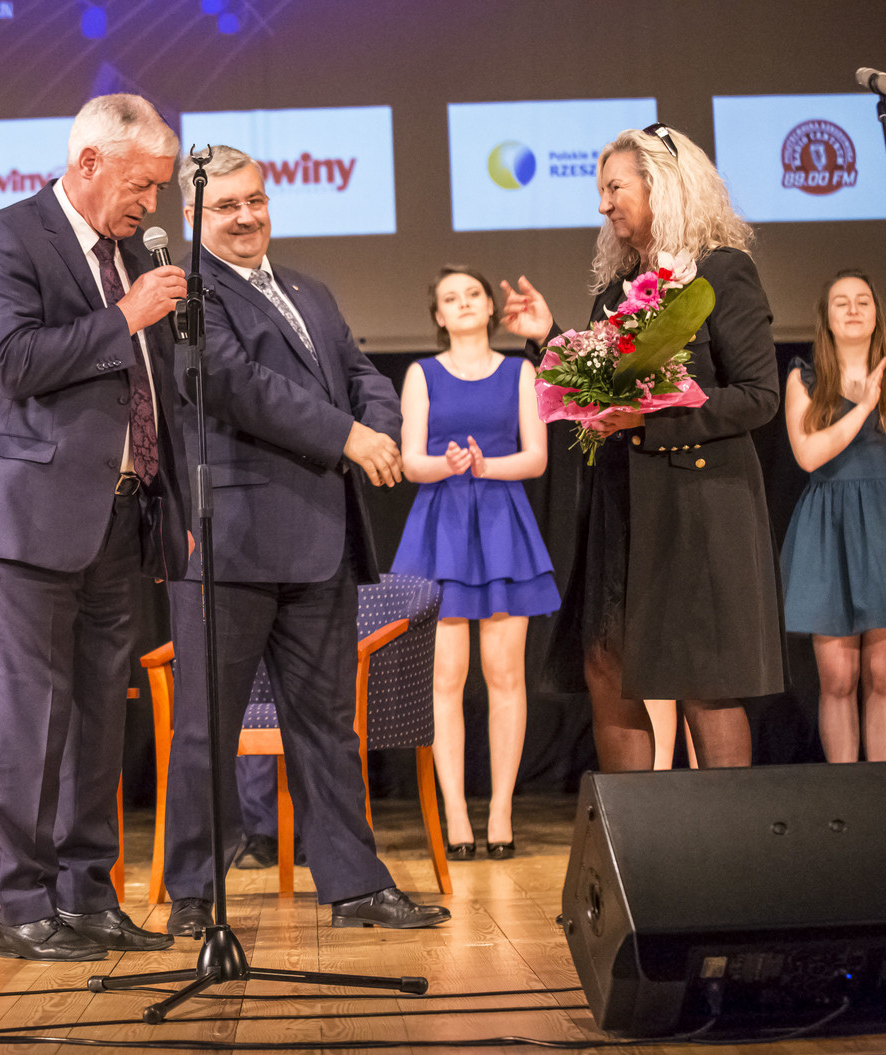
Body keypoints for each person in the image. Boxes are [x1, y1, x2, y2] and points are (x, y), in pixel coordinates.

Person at [160, 145, 449, 936]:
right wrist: (349, 437)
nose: (246, 217)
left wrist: (379, 429)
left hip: (320, 540)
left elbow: (362, 375)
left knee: (326, 725)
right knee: (206, 728)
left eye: (255, 200)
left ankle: (355, 887)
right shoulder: (188, 293)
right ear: (193, 214)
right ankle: (195, 893)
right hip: (230, 544)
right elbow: (233, 384)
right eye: (227, 206)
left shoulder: (306, 290)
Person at [0, 93, 189, 961]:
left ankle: (89, 897)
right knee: (30, 719)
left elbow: (154, 397)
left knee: (98, 720)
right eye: (141, 185)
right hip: (25, 520)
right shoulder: (4, 238)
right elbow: (14, 363)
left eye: (160, 189)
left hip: (118, 518)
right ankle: (23, 905)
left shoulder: (130, 259)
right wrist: (126, 317)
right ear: (89, 162)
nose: (151, 205)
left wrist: (171, 502)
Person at [500, 124, 783, 771]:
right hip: (621, 502)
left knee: (702, 681)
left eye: (614, 188)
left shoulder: (722, 272)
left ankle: (724, 834)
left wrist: (649, 423)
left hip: (698, 502)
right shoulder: (617, 290)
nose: (603, 204)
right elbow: (599, 389)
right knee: (606, 668)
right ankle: (631, 832)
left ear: (663, 185)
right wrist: (548, 339)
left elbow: (758, 396)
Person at [391, 266, 558, 859]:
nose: (463, 303)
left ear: (491, 307)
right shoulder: (422, 373)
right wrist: (449, 464)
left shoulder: (520, 371)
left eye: (472, 294)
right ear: (438, 316)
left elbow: (536, 457)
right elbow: (411, 461)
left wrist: (488, 467)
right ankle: (457, 816)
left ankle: (502, 812)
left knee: (506, 675)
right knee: (446, 679)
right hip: (442, 529)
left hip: (502, 525)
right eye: (450, 298)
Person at [782, 270, 886, 762]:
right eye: (841, 301)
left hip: (881, 525)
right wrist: (862, 407)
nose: (853, 309)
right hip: (829, 527)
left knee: (883, 675)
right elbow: (808, 456)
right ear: (825, 317)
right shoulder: (804, 378)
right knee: (839, 678)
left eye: (863, 300)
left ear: (877, 314)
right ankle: (845, 792)